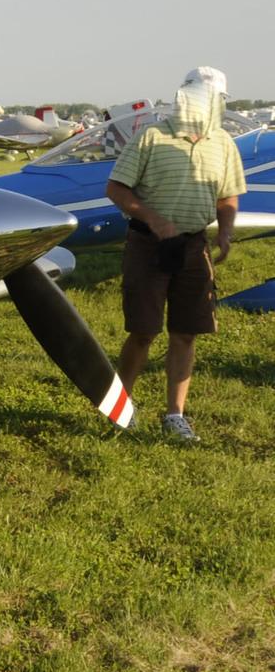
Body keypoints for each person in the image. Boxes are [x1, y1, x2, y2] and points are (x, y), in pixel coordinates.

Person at [103, 67, 246, 441]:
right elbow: (116, 188)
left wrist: (225, 230)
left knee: (186, 333)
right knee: (144, 331)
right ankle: (122, 407)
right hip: (148, 244)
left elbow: (228, 194)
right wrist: (155, 220)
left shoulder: (223, 143)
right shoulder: (150, 136)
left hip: (195, 246)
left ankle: (174, 416)